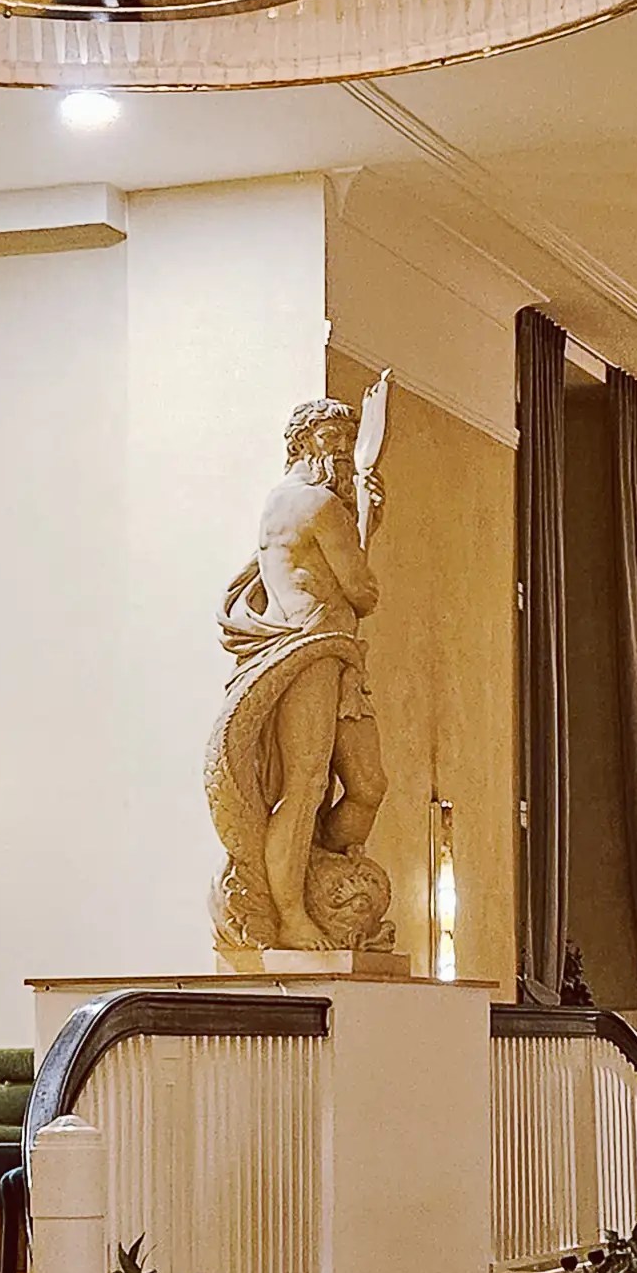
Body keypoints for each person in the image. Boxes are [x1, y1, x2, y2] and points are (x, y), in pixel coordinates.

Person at [207, 390, 392, 952]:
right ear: (302, 445)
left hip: (339, 659)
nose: (339, 457)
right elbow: (362, 590)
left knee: (367, 785)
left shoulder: (303, 503)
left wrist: (364, 521)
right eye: (330, 444)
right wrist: (359, 517)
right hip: (310, 652)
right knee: (305, 784)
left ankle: (312, 875)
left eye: (346, 446)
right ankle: (290, 914)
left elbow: (343, 578)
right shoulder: (312, 504)